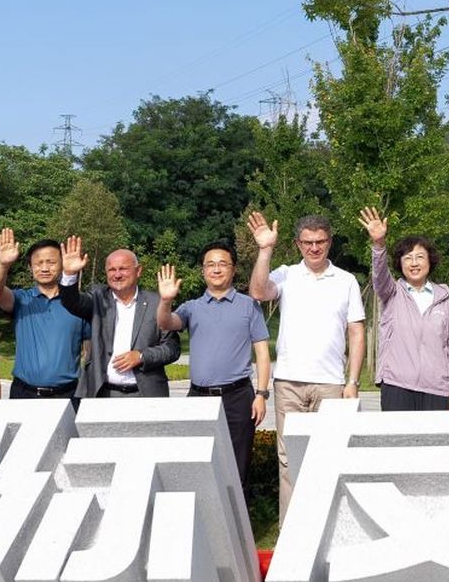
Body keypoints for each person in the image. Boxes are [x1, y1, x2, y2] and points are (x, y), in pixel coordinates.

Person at [247, 211, 367, 523]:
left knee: (329, 457)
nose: (314, 248)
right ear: (298, 244)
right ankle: (292, 530)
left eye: (320, 241)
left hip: (330, 384)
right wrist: (265, 250)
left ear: (330, 242)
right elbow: (258, 292)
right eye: (307, 242)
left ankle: (329, 527)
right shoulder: (286, 274)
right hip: (289, 382)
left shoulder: (346, 281)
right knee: (289, 460)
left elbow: (356, 332)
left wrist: (352, 381)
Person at [155, 245, 271, 505]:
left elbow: (262, 352)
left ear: (233, 269)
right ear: (203, 270)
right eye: (210, 264)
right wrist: (165, 301)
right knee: (196, 464)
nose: (216, 269)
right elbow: (165, 323)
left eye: (222, 263)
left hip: (238, 397)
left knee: (238, 468)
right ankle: (203, 520)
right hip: (198, 397)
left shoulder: (249, 306)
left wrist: (262, 394)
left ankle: (238, 525)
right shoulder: (191, 307)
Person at [359, 206, 449, 412]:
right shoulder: (392, 292)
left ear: (430, 261)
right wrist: (379, 244)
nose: (414, 263)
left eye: (420, 257)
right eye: (407, 258)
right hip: (397, 385)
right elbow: (379, 276)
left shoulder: (444, 297)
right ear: (400, 263)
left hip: (437, 388)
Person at [57, 239, 179, 398]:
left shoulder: (157, 302)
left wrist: (141, 356)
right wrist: (70, 275)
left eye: (123, 269)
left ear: (138, 271)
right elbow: (72, 302)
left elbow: (172, 348)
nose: (117, 274)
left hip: (145, 394)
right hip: (103, 393)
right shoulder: (97, 297)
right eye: (112, 270)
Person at [0, 228, 90, 403]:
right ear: (30, 268)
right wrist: (4, 265)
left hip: (67, 394)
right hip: (24, 394)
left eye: (51, 262)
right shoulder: (21, 300)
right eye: (38, 263)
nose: (44, 268)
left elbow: (92, 351)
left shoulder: (79, 305)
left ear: (62, 264)